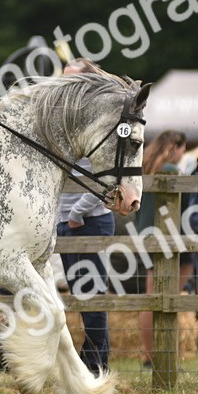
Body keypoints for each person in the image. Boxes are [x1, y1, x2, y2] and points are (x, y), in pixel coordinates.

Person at [54, 58, 116, 374]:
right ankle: (91, 360)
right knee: (79, 296)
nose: (65, 87)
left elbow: (104, 179)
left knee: (91, 299)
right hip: (67, 221)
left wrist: (76, 214)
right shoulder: (63, 123)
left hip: (88, 220)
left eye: (72, 81)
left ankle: (97, 363)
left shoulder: (98, 124)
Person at [137, 130, 193, 369]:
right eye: (182, 149)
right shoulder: (170, 170)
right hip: (171, 238)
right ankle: (165, 355)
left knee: (151, 299)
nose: (182, 154)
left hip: (147, 237)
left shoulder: (146, 169)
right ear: (175, 148)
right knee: (169, 300)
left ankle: (150, 356)